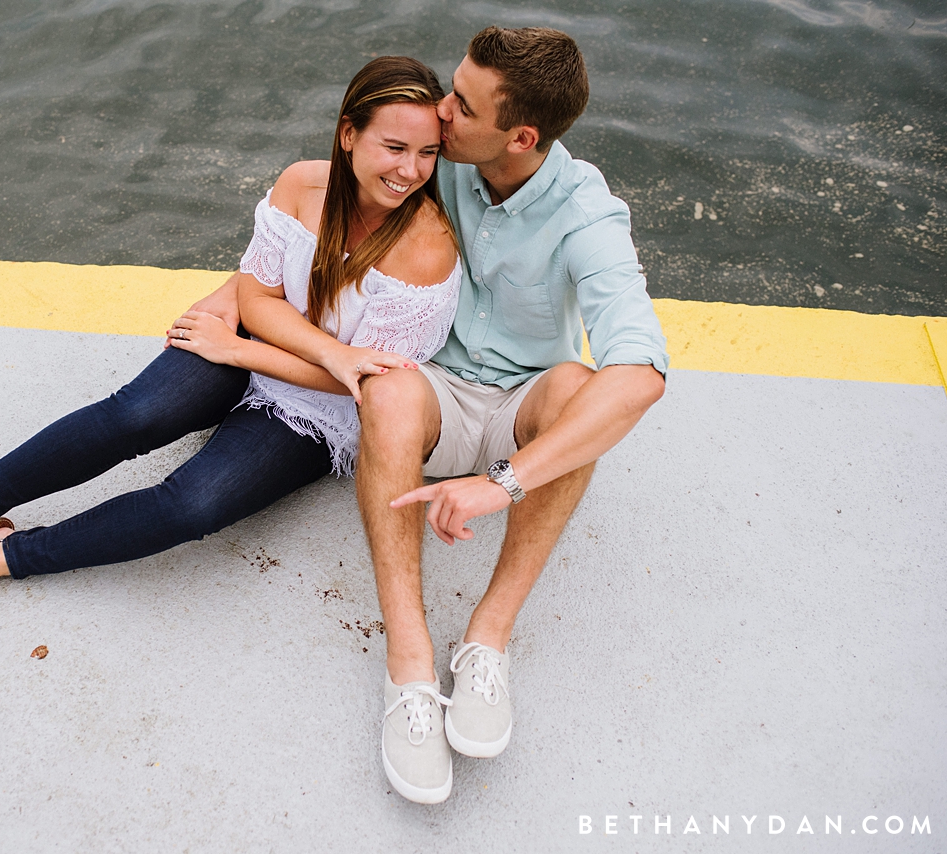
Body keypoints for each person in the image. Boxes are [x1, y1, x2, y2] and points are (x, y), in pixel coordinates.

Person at [243, 27, 669, 804]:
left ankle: (486, 639)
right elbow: (324, 205)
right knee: (393, 386)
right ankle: (408, 666)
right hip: (425, 390)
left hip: (517, 407)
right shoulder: (437, 162)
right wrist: (236, 302)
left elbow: (641, 375)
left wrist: (504, 482)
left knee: (581, 384)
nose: (440, 112)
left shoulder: (588, 215)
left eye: (462, 105)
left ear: (522, 137)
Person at [0, 56, 463, 607]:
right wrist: (258, 344)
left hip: (320, 405)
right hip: (262, 343)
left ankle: (2, 558)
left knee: (193, 504)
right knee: (134, 415)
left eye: (428, 153)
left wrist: (237, 348)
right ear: (348, 134)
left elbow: (362, 385)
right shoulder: (304, 185)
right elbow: (256, 296)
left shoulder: (426, 248)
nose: (409, 171)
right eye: (394, 147)